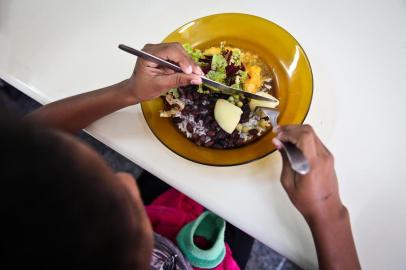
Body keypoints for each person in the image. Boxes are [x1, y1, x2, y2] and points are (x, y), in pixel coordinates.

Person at [0, 42, 361, 270]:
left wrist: (128, 91)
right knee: (239, 217)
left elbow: (34, 137)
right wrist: (330, 213)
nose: (127, 177)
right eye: (124, 203)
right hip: (208, 256)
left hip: (164, 216)